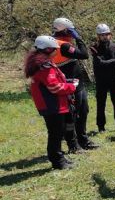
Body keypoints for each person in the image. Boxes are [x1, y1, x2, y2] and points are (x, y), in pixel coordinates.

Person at [25, 36, 77, 170]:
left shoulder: (42, 63)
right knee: (56, 133)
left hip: (52, 104)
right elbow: (54, 87)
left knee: (57, 132)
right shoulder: (44, 66)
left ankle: (59, 158)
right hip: (52, 105)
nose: (56, 52)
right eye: (55, 49)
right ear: (48, 49)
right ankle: (58, 161)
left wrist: (67, 81)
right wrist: (71, 87)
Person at [52, 17, 98, 151]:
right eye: (71, 30)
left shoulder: (56, 41)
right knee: (73, 114)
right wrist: (78, 38)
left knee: (82, 111)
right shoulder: (63, 45)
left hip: (74, 83)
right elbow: (84, 54)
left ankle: (82, 140)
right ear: (65, 30)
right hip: (71, 84)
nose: (73, 32)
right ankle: (74, 144)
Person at [91, 23, 115, 132]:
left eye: (107, 34)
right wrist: (112, 61)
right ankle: (101, 126)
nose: (105, 36)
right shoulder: (94, 48)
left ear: (110, 34)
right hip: (101, 81)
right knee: (101, 104)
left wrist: (105, 62)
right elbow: (98, 63)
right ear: (98, 36)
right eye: (102, 35)